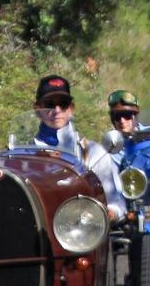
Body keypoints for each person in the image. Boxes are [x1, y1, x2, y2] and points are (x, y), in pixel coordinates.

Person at [33, 75, 126, 220]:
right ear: (37, 109)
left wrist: (108, 213)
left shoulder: (94, 153)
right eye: (49, 104)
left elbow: (116, 203)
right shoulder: (24, 154)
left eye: (63, 104)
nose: (57, 110)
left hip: (80, 233)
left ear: (71, 108)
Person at [107, 89, 141, 165]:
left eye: (126, 115)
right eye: (117, 116)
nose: (122, 121)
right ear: (113, 120)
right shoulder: (111, 150)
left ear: (135, 117)